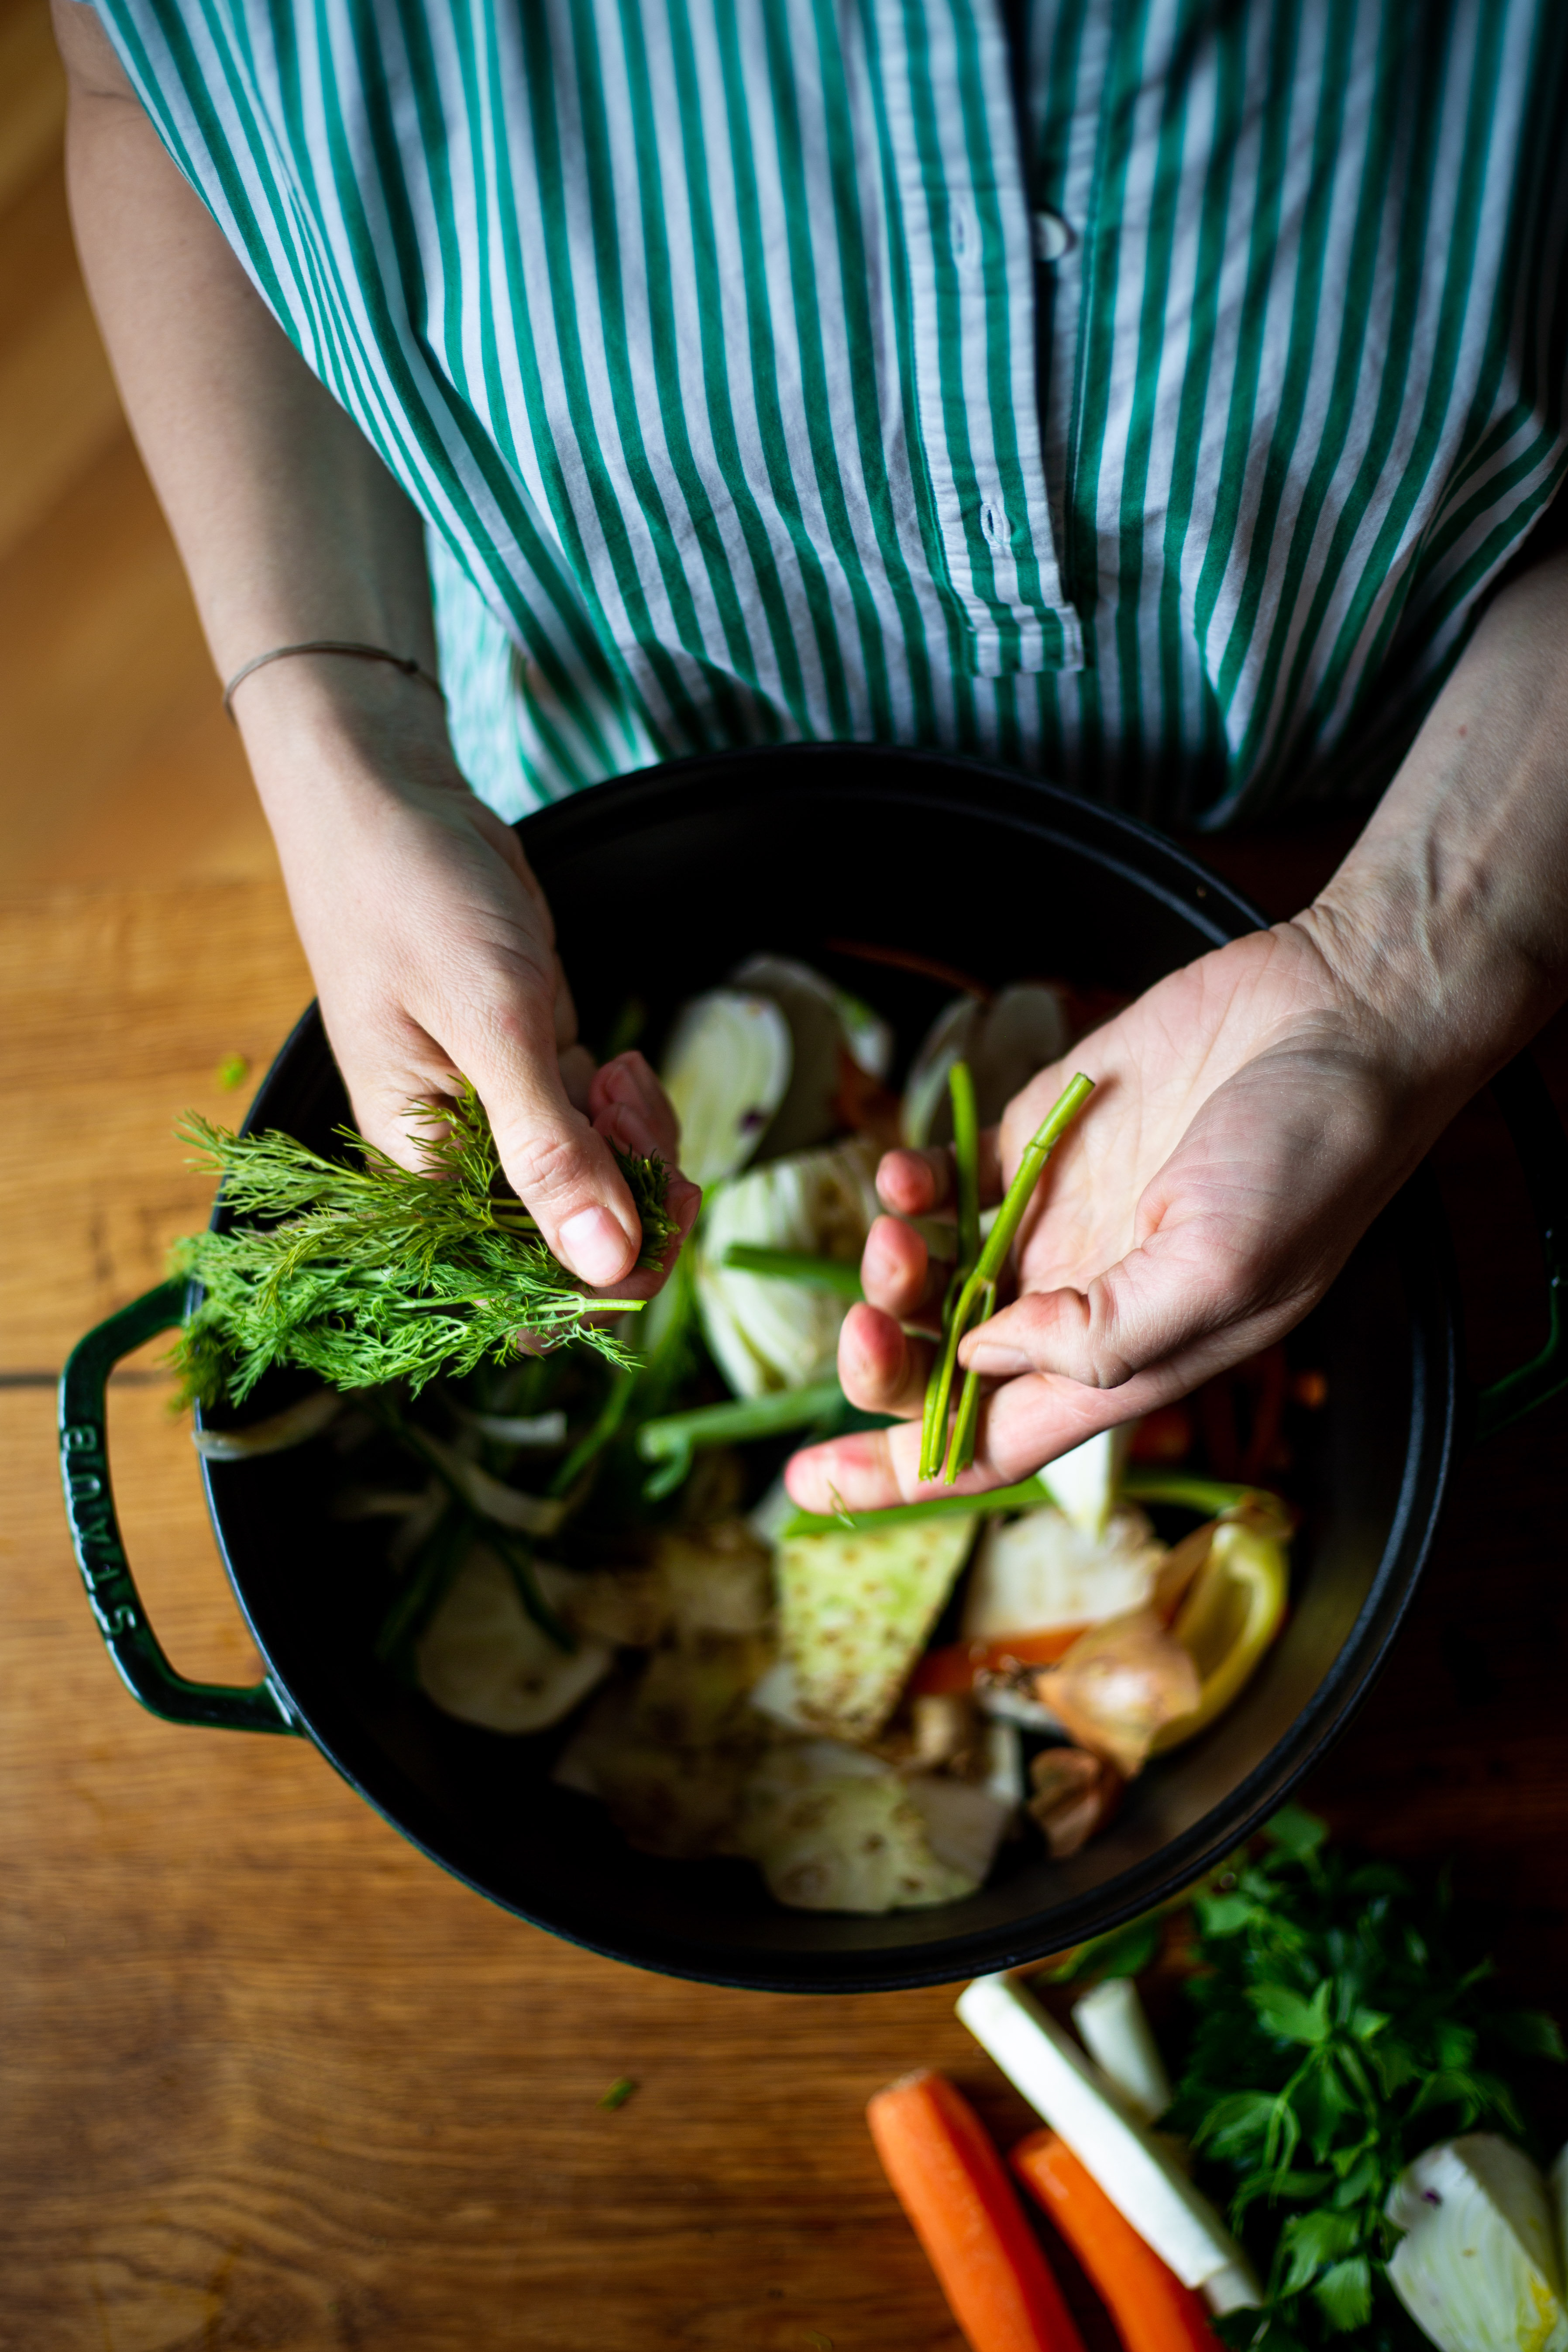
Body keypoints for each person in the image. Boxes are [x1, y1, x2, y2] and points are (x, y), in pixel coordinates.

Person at [55, 0, 1568, 1510]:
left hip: (1429, 799)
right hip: (577, 783)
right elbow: (143, 86)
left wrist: (1415, 955)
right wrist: (343, 727)